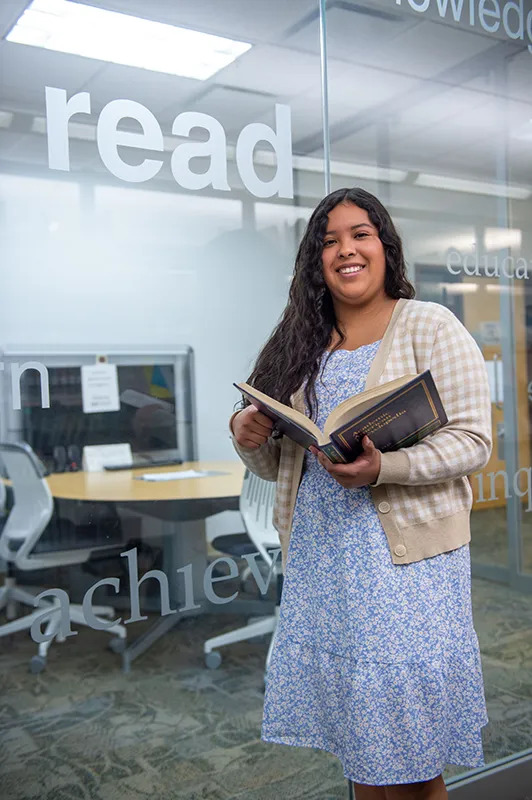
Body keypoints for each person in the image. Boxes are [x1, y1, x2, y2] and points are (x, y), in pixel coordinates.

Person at [228, 187, 492, 800]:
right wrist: (249, 436)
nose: (345, 249)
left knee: (408, 759)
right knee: (361, 751)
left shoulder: (430, 325)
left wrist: (386, 467)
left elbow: (474, 441)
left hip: (404, 574)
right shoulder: (300, 342)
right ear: (314, 261)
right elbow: (276, 467)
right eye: (329, 241)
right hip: (325, 566)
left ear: (385, 246)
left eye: (359, 234)